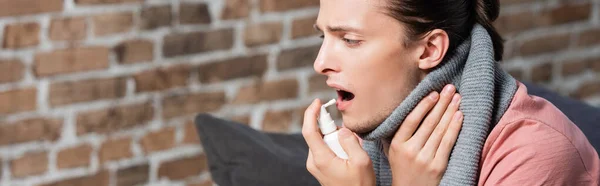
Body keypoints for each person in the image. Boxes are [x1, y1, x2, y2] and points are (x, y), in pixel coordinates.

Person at [301, 0, 600, 185]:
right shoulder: (370, 142)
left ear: (430, 49)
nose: (320, 63)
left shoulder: (535, 155)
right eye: (322, 36)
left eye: (350, 40)